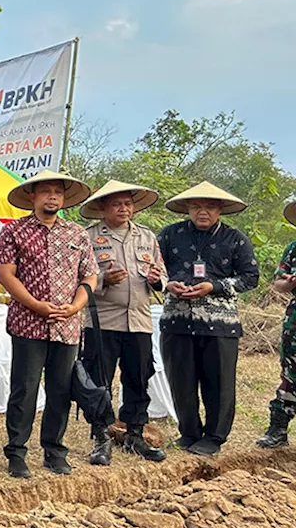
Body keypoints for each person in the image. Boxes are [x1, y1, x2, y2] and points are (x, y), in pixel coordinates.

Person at [0, 170, 98, 478]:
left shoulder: (77, 234)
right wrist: (37, 305)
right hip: (28, 323)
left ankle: (54, 450)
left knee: (61, 389)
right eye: (46, 191)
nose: (52, 196)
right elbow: (6, 275)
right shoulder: (13, 232)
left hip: (67, 325)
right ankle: (16, 451)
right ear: (32, 196)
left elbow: (89, 275)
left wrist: (74, 307)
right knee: (24, 389)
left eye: (58, 192)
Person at [157, 182, 259, 456]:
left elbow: (251, 278)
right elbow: (152, 271)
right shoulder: (169, 235)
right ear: (188, 208)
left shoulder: (235, 238)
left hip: (220, 323)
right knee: (181, 379)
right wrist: (168, 284)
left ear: (220, 209)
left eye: (210, 206)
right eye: (196, 205)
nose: (203, 211)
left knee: (219, 382)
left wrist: (214, 286)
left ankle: (214, 437)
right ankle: (189, 433)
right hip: (177, 319)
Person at [78, 180, 168, 464]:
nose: (124, 208)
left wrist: (158, 280)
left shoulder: (146, 237)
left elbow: (161, 274)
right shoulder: (89, 237)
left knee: (139, 378)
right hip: (102, 321)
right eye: (116, 204)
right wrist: (104, 280)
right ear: (103, 208)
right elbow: (78, 278)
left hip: (139, 321)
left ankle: (135, 434)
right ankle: (101, 437)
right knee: (99, 381)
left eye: (128, 203)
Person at [259, 200, 296, 448]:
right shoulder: (293, 249)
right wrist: (291, 282)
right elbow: (278, 284)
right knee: (291, 374)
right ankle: (278, 429)